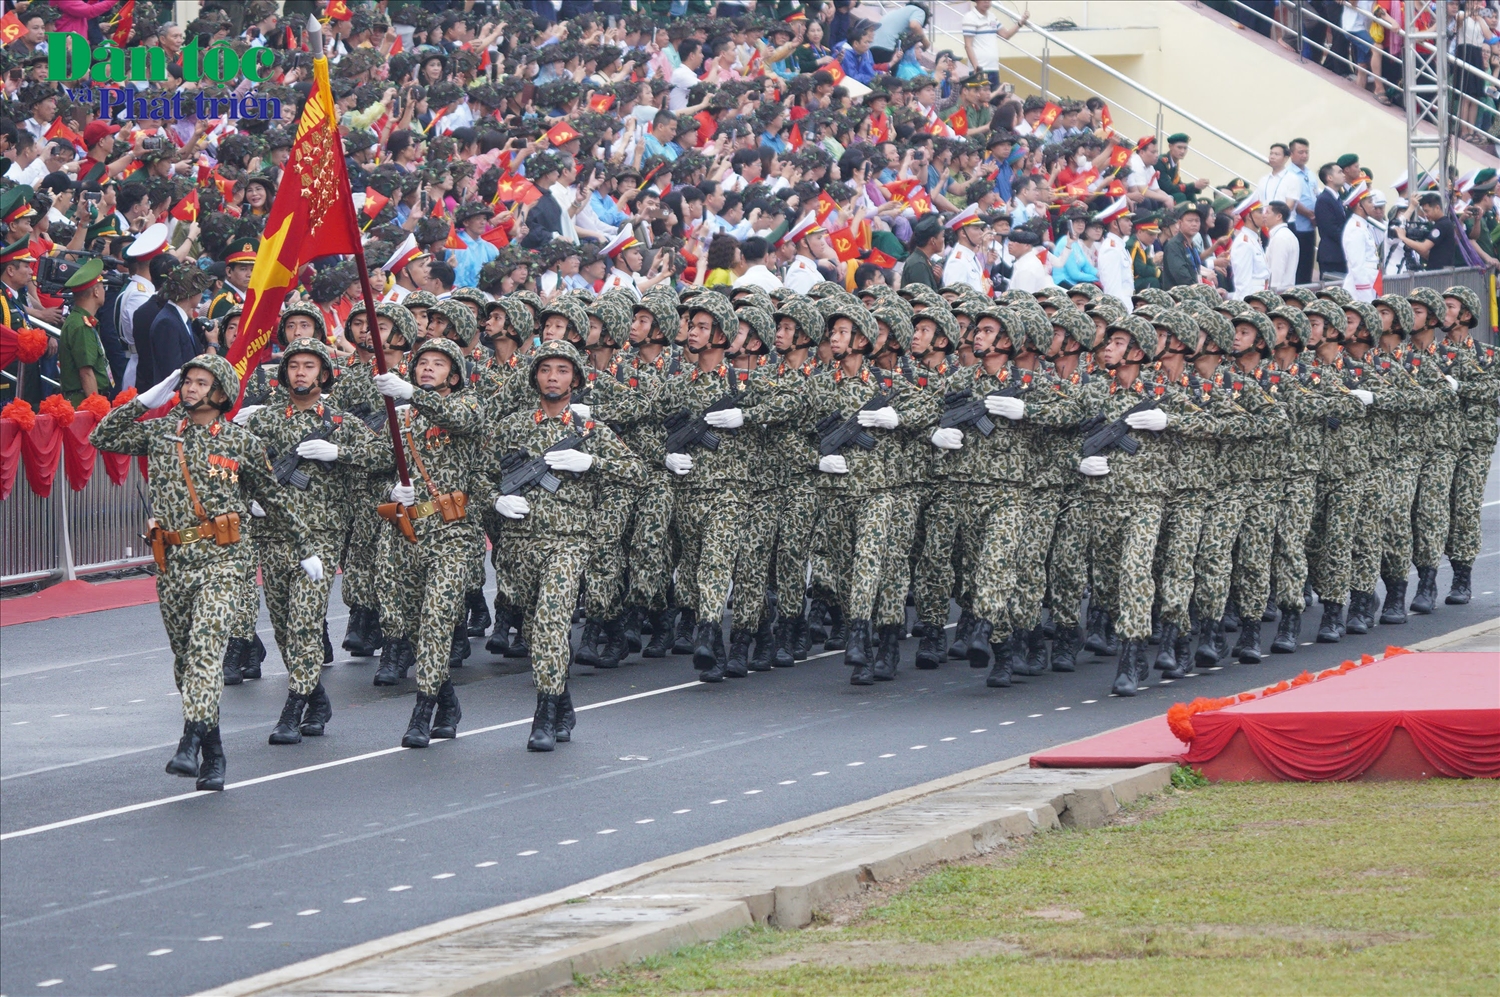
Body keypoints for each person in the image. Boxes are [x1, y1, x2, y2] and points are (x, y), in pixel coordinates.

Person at [91, 354, 322, 792]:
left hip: (225, 558)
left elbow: (274, 496)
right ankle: (213, 751)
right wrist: (144, 401)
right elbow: (102, 435)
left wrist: (305, 547)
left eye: (201, 383)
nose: (190, 388)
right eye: (188, 382)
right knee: (186, 663)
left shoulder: (240, 442)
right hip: (174, 560)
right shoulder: (162, 433)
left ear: (220, 394)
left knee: (204, 649)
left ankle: (188, 741)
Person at [490, 339, 645, 749]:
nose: (552, 377)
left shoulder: (588, 430)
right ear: (534, 376)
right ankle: (562, 700)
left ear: (575, 378)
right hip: (519, 544)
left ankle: (543, 714)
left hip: (569, 543)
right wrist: (496, 500)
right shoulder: (512, 427)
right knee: (535, 630)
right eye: (545, 370)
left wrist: (594, 461)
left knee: (552, 624)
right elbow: (479, 475)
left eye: (561, 370)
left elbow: (636, 471)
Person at [246, 339, 390, 745]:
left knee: (306, 623)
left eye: (310, 366)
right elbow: (237, 469)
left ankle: (293, 708)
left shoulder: (341, 422)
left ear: (324, 374)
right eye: (294, 366)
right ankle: (316, 697)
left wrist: (338, 453)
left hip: (321, 538)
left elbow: (384, 456)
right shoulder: (264, 422)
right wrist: (250, 500)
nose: (301, 373)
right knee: (283, 628)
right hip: (273, 535)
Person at [56, 258, 114, 405]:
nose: (103, 292)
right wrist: (96, 407)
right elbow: (86, 373)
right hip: (83, 401)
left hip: (83, 399)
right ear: (95, 292)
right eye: (102, 288)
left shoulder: (81, 320)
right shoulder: (81, 325)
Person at [962, 0, 1028, 89]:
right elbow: (968, 45)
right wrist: (976, 68)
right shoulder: (970, 17)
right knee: (981, 100)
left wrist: (1020, 23)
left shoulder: (992, 16)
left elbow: (1006, 35)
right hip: (980, 69)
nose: (986, 2)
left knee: (994, 99)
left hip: (993, 67)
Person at [1263, 201, 1300, 291]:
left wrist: (1272, 294)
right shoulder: (1283, 235)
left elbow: (1277, 272)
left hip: (1279, 293)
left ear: (1279, 216)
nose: (1264, 215)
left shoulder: (1280, 238)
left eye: (1267, 212)